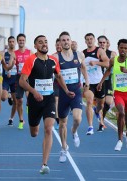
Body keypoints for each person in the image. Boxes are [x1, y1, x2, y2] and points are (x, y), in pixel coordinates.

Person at [19, 35, 75, 174]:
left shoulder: (53, 60)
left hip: (49, 99)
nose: (44, 44)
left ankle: (44, 164)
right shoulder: (31, 60)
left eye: (45, 42)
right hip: (34, 100)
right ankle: (33, 123)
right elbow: (22, 81)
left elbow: (59, 76)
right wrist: (33, 91)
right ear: (35, 45)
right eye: (40, 42)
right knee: (34, 133)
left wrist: (66, 90)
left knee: (49, 129)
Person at [97, 39, 127, 151]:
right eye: (121, 47)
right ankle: (119, 140)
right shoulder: (113, 60)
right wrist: (101, 82)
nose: (123, 50)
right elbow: (108, 71)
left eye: (125, 48)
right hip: (118, 93)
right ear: (118, 48)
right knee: (121, 113)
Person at [53, 31, 89, 163]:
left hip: (76, 92)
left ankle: (74, 131)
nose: (66, 42)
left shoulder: (79, 55)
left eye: (68, 39)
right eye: (63, 40)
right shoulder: (55, 57)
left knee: (77, 118)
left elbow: (83, 68)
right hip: (63, 93)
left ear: (71, 40)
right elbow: (55, 75)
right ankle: (64, 148)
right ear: (60, 43)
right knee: (62, 123)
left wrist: (87, 82)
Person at [83, 33, 110, 134]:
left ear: (94, 40)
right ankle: (90, 127)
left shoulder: (99, 51)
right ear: (85, 41)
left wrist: (96, 63)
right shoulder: (83, 53)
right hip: (88, 83)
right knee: (89, 102)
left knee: (100, 105)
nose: (89, 41)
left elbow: (107, 64)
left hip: (99, 82)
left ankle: (97, 111)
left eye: (91, 39)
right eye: (87, 39)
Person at [13, 33, 34, 130]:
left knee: (29, 97)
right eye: (20, 40)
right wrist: (9, 65)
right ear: (17, 42)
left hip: (29, 77)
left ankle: (29, 104)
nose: (21, 42)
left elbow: (35, 64)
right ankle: (21, 120)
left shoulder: (30, 52)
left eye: (23, 40)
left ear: (25, 41)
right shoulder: (14, 53)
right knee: (19, 101)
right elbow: (9, 66)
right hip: (19, 78)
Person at [97, 35, 117, 124]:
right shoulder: (96, 53)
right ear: (98, 43)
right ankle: (98, 113)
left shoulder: (112, 54)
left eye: (103, 42)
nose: (102, 44)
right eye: (100, 43)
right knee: (100, 104)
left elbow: (117, 66)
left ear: (106, 43)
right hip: (98, 81)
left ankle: (102, 117)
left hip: (108, 81)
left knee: (108, 102)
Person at [1, 36, 17, 126]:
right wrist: (7, 70)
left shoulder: (17, 54)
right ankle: (9, 95)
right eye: (10, 41)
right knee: (3, 98)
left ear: (15, 43)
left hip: (15, 79)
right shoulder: (4, 54)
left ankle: (11, 118)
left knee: (15, 102)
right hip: (6, 79)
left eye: (13, 41)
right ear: (8, 42)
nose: (11, 43)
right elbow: (2, 63)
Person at [52, 38, 62, 130]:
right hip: (56, 82)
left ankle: (62, 119)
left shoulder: (68, 56)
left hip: (67, 83)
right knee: (56, 100)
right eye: (57, 45)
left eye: (60, 44)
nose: (59, 46)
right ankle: (58, 121)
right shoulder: (53, 56)